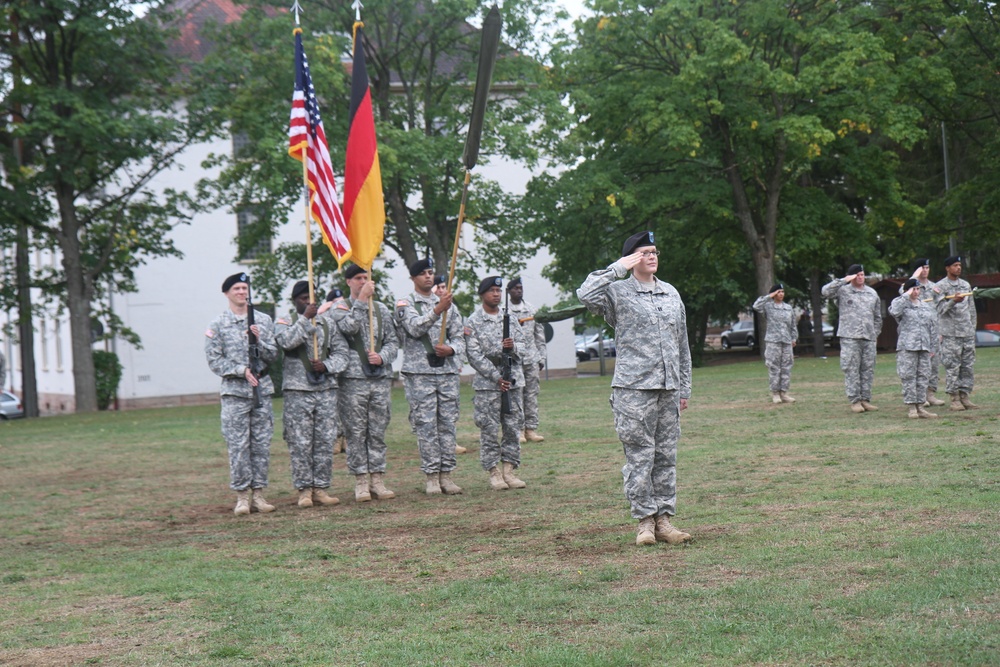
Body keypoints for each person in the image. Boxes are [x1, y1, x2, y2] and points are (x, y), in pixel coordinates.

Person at [577, 231, 693, 547]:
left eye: (654, 251)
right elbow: (585, 294)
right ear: (632, 259)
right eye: (644, 252)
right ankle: (644, 522)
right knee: (640, 456)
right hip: (633, 389)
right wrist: (618, 267)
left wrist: (684, 387)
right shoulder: (617, 292)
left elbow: (681, 342)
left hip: (668, 388)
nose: (652, 256)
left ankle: (664, 521)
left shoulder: (671, 293)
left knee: (665, 456)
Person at [204, 272, 279, 515]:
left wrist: (259, 340)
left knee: (261, 444)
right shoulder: (218, 324)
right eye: (236, 288)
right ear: (227, 293)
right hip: (235, 394)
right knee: (238, 446)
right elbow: (214, 361)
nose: (241, 292)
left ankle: (259, 494)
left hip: (261, 391)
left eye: (244, 288)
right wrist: (240, 370)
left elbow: (273, 355)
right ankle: (242, 497)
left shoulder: (263, 321)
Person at [274, 280, 350, 508]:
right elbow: (286, 342)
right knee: (300, 442)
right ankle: (304, 490)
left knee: (325, 441)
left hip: (325, 390)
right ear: (295, 300)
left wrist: (326, 366)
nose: (308, 301)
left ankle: (321, 488)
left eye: (311, 298)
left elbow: (342, 354)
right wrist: (305, 319)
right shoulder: (285, 321)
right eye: (303, 298)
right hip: (298, 391)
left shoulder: (327, 324)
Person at [396, 258, 466, 495]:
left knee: (447, 425)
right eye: (423, 273)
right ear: (413, 278)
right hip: (420, 374)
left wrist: (452, 349)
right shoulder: (405, 304)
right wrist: (437, 310)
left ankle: (447, 474)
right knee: (426, 426)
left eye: (430, 272)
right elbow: (415, 328)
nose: (428, 276)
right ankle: (432, 476)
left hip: (445, 372)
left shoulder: (449, 306)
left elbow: (459, 337)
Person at [330, 264, 399, 502]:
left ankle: (377, 478)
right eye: (358, 278)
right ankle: (360, 480)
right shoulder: (340, 308)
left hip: (379, 379)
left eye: (366, 277)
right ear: (348, 282)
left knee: (377, 430)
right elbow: (350, 327)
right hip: (353, 380)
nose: (363, 281)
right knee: (356, 432)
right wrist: (361, 300)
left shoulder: (380, 309)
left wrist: (383, 357)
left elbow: (392, 341)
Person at [465, 276, 529, 491]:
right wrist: (495, 377)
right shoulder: (473, 321)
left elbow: (525, 346)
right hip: (488, 384)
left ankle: (509, 470)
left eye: (498, 291)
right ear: (482, 294)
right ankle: (493, 472)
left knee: (512, 427)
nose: (496, 294)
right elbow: (474, 355)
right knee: (489, 429)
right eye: (491, 290)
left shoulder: (509, 318)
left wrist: (513, 347)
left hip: (512, 381)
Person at [822, 264, 883, 413]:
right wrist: (843, 280)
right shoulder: (843, 291)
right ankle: (855, 400)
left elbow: (877, 316)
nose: (861, 277)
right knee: (851, 368)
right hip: (850, 336)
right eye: (857, 275)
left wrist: (875, 333)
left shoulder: (871, 293)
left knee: (867, 369)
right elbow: (825, 292)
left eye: (862, 274)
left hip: (868, 337)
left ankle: (865, 399)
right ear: (851, 276)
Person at [889, 279, 939, 419]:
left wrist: (933, 347)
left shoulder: (925, 306)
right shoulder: (901, 304)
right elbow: (894, 311)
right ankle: (912, 407)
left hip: (924, 347)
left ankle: (921, 406)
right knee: (909, 377)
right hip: (908, 347)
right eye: (914, 289)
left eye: (918, 289)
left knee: (923, 377)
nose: (916, 292)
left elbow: (932, 327)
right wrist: (906, 294)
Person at [506, 277, 547, 442]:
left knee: (531, 395)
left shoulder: (531, 310)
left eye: (520, 287)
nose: (518, 290)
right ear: (508, 291)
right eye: (515, 288)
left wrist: (541, 358)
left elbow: (540, 336)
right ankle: (518, 430)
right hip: (513, 360)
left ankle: (531, 429)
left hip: (531, 359)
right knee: (516, 396)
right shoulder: (504, 311)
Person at [900, 259, 945, 407]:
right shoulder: (910, 286)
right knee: (914, 368)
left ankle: (930, 394)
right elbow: (902, 294)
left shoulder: (934, 287)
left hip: (932, 331)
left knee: (932, 365)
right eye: (922, 268)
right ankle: (919, 398)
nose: (925, 270)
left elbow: (940, 308)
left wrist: (940, 330)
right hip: (914, 334)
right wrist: (913, 277)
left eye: (927, 267)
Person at [935, 256, 978, 410]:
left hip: (966, 332)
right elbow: (939, 310)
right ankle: (954, 398)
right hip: (950, 333)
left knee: (967, 366)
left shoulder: (965, 285)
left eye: (960, 265)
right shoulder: (940, 286)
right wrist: (953, 301)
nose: (958, 268)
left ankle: (965, 396)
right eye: (955, 265)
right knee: (953, 366)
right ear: (947, 268)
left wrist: (972, 328)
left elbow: (971, 309)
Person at [752, 283, 797, 404]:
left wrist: (794, 338)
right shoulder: (768, 306)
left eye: (782, 292)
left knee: (786, 367)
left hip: (786, 341)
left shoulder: (788, 308)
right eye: (778, 292)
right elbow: (756, 306)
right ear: (774, 294)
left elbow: (793, 325)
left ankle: (784, 393)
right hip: (773, 341)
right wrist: (769, 296)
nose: (781, 294)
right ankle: (775, 393)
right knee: (774, 367)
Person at [319, 288, 349, 454]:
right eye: (335, 302)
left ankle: (346, 437)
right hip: (331, 365)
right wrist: (323, 310)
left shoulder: (346, 313)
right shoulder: (325, 316)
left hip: (348, 364)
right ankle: (337, 438)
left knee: (348, 403)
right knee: (335, 404)